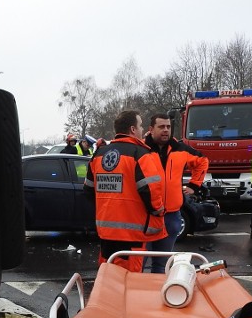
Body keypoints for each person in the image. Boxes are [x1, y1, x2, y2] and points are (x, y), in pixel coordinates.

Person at [84, 110, 166, 271]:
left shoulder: (99, 154)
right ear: (133, 130)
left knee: (108, 279)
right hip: (132, 233)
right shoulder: (140, 154)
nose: (143, 130)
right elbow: (150, 190)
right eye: (141, 126)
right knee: (129, 283)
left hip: (106, 231)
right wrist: (159, 211)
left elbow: (88, 190)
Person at [143, 113, 209, 273]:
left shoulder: (180, 149)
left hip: (171, 216)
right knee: (139, 264)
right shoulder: (141, 149)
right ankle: (140, 297)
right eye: (161, 127)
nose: (165, 130)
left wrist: (194, 185)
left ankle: (157, 297)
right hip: (146, 216)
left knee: (161, 265)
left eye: (168, 127)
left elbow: (202, 161)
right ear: (151, 129)